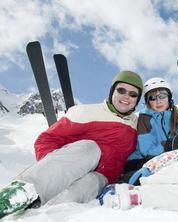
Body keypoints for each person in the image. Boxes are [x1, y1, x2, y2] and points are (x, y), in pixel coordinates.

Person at [0, 70, 143, 219]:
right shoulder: (85, 112)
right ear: (112, 91)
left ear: (137, 101)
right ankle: (19, 193)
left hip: (101, 177)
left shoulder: (137, 124)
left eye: (133, 94)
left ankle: (36, 216)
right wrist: (59, 168)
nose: (127, 96)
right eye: (121, 90)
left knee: (88, 185)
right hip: (76, 162)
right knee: (90, 147)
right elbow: (47, 140)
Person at [117, 77, 178, 183]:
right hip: (139, 161)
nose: (158, 101)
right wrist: (167, 145)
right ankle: (129, 181)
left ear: (169, 98)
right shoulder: (145, 118)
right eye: (152, 97)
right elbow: (146, 150)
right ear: (148, 102)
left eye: (162, 96)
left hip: (165, 159)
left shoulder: (175, 118)